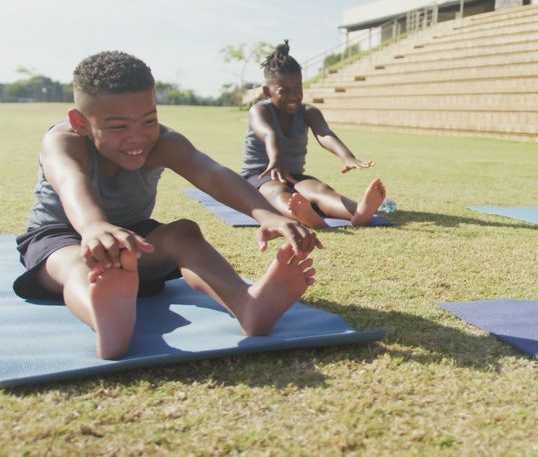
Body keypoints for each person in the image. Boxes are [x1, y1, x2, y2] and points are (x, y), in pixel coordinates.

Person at [14, 51, 323, 360]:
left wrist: (266, 214)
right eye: (118, 127)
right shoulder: (63, 141)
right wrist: (94, 227)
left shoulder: (163, 142)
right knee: (78, 265)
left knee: (183, 233)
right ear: (80, 122)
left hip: (132, 243)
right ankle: (106, 319)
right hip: (60, 239)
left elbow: (211, 173)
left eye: (148, 120)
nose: (137, 137)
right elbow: (71, 181)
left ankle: (248, 305)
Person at [241, 40, 386, 228]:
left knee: (320, 190)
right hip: (260, 175)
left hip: (293, 175)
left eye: (297, 89)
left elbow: (325, 134)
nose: (293, 96)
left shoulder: (309, 112)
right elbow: (268, 133)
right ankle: (303, 215)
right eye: (284, 91)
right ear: (267, 91)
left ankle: (358, 211)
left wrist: (347, 157)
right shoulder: (259, 111)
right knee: (276, 192)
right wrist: (275, 159)